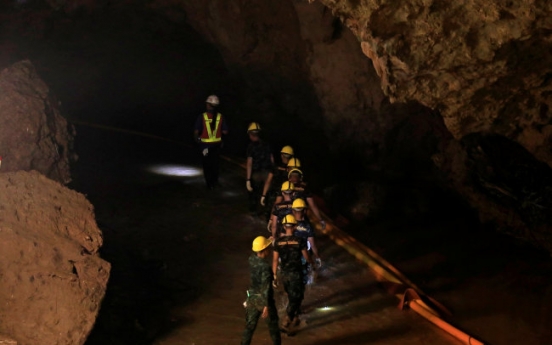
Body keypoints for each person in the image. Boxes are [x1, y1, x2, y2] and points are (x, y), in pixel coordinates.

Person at [272, 214, 314, 333]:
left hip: (284, 273)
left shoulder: (278, 242)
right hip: (297, 273)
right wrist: (313, 264)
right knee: (297, 296)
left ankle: (295, 318)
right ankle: (287, 319)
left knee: (291, 295)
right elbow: (306, 257)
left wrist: (274, 275)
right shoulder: (299, 241)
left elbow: (275, 260)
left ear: (284, 227)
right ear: (295, 226)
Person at [241, 236, 281, 345]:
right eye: (268, 247)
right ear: (264, 250)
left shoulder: (251, 260)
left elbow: (257, 250)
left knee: (249, 328)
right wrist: (266, 306)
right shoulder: (265, 267)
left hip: (252, 298)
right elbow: (266, 287)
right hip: (263, 300)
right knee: (273, 329)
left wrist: (266, 241)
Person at [193, 95, 229, 189]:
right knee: (215, 165)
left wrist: (197, 140)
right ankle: (215, 182)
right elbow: (225, 131)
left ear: (208, 105)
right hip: (216, 146)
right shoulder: (221, 117)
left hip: (205, 146)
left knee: (207, 165)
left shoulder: (202, 117)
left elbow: (196, 131)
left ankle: (209, 184)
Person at [246, 122, 274, 218]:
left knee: (253, 193)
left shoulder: (251, 146)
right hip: (267, 173)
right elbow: (271, 158)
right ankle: (267, 213)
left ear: (250, 134)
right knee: (266, 194)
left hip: (257, 174)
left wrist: (248, 179)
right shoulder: (266, 144)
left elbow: (249, 163)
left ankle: (254, 211)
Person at [261, 145, 294, 211]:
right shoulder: (293, 169)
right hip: (286, 195)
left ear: (281, 155)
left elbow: (268, 181)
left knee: (271, 213)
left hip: (274, 194)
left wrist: (263, 195)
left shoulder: (276, 166)